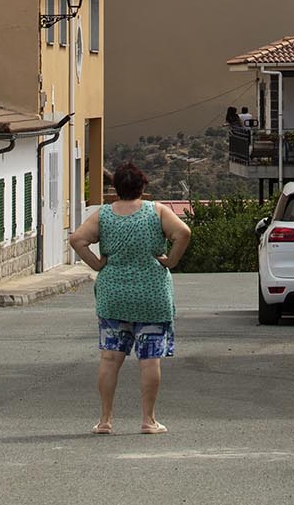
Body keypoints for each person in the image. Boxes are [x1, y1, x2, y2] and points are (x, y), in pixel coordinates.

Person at [68, 160, 190, 435]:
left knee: (110, 359)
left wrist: (98, 265)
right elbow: (183, 232)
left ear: (115, 188)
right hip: (152, 296)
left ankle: (105, 420)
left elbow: (77, 240)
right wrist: (170, 261)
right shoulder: (156, 211)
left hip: (114, 295)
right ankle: (148, 420)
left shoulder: (104, 215)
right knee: (149, 360)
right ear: (142, 186)